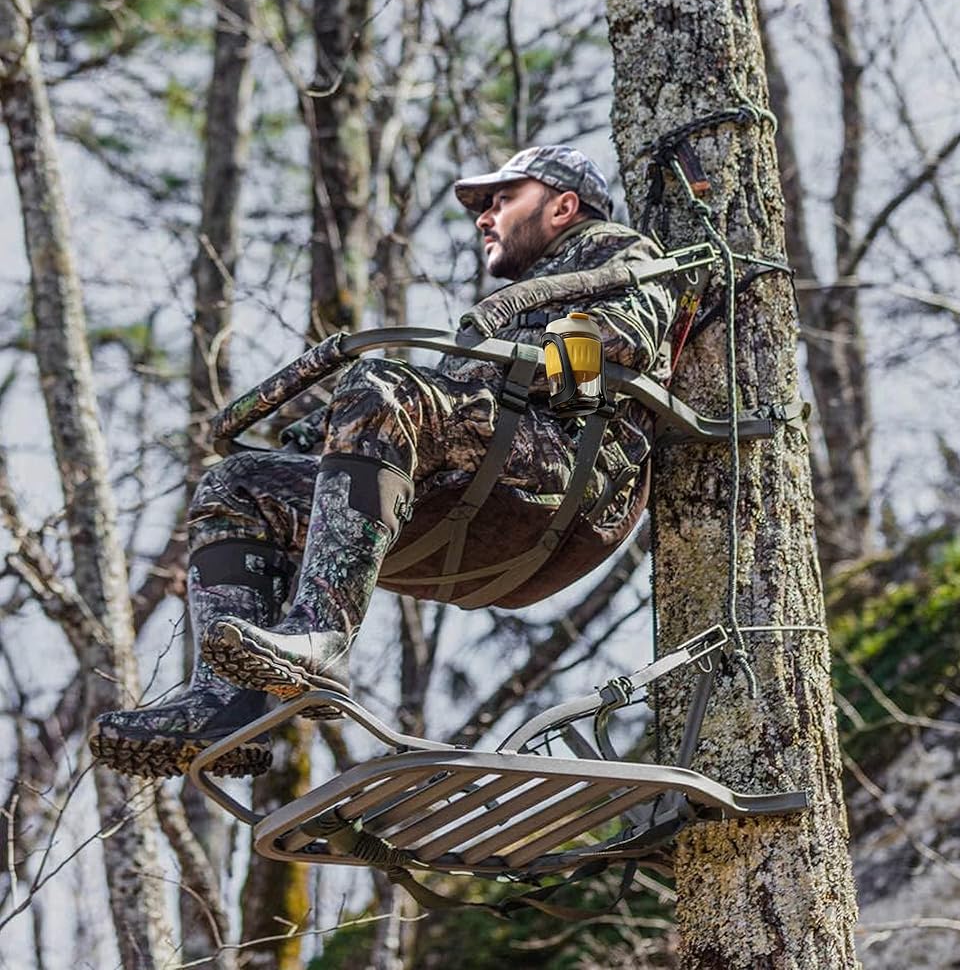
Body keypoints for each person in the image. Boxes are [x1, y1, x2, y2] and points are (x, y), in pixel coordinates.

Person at [89, 146, 675, 778]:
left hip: (570, 474)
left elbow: (625, 339)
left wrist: (469, 373)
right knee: (238, 483)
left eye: (504, 199)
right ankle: (223, 704)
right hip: (474, 485)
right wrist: (335, 432)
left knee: (380, 386)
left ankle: (319, 635)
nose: (485, 217)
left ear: (563, 206)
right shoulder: (520, 298)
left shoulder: (616, 253)